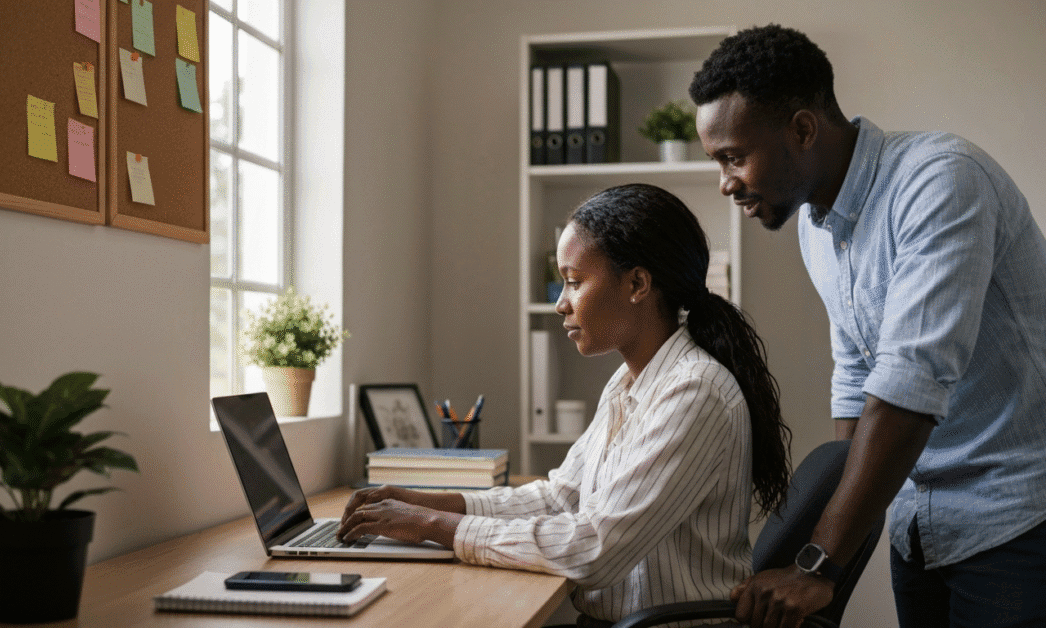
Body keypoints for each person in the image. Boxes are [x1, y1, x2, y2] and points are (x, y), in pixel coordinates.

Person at [689, 24, 1046, 628]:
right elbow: (857, 371)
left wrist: (817, 562)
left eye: (734, 156)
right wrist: (842, 542)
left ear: (803, 130)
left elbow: (911, 380)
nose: (726, 182)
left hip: (1014, 522)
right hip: (920, 528)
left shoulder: (940, 181)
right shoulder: (815, 221)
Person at [338, 183, 791, 627]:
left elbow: (595, 547)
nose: (560, 304)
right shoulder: (630, 382)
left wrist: (433, 525)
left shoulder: (694, 392)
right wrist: (433, 503)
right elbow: (561, 497)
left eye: (574, 282)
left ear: (637, 283)